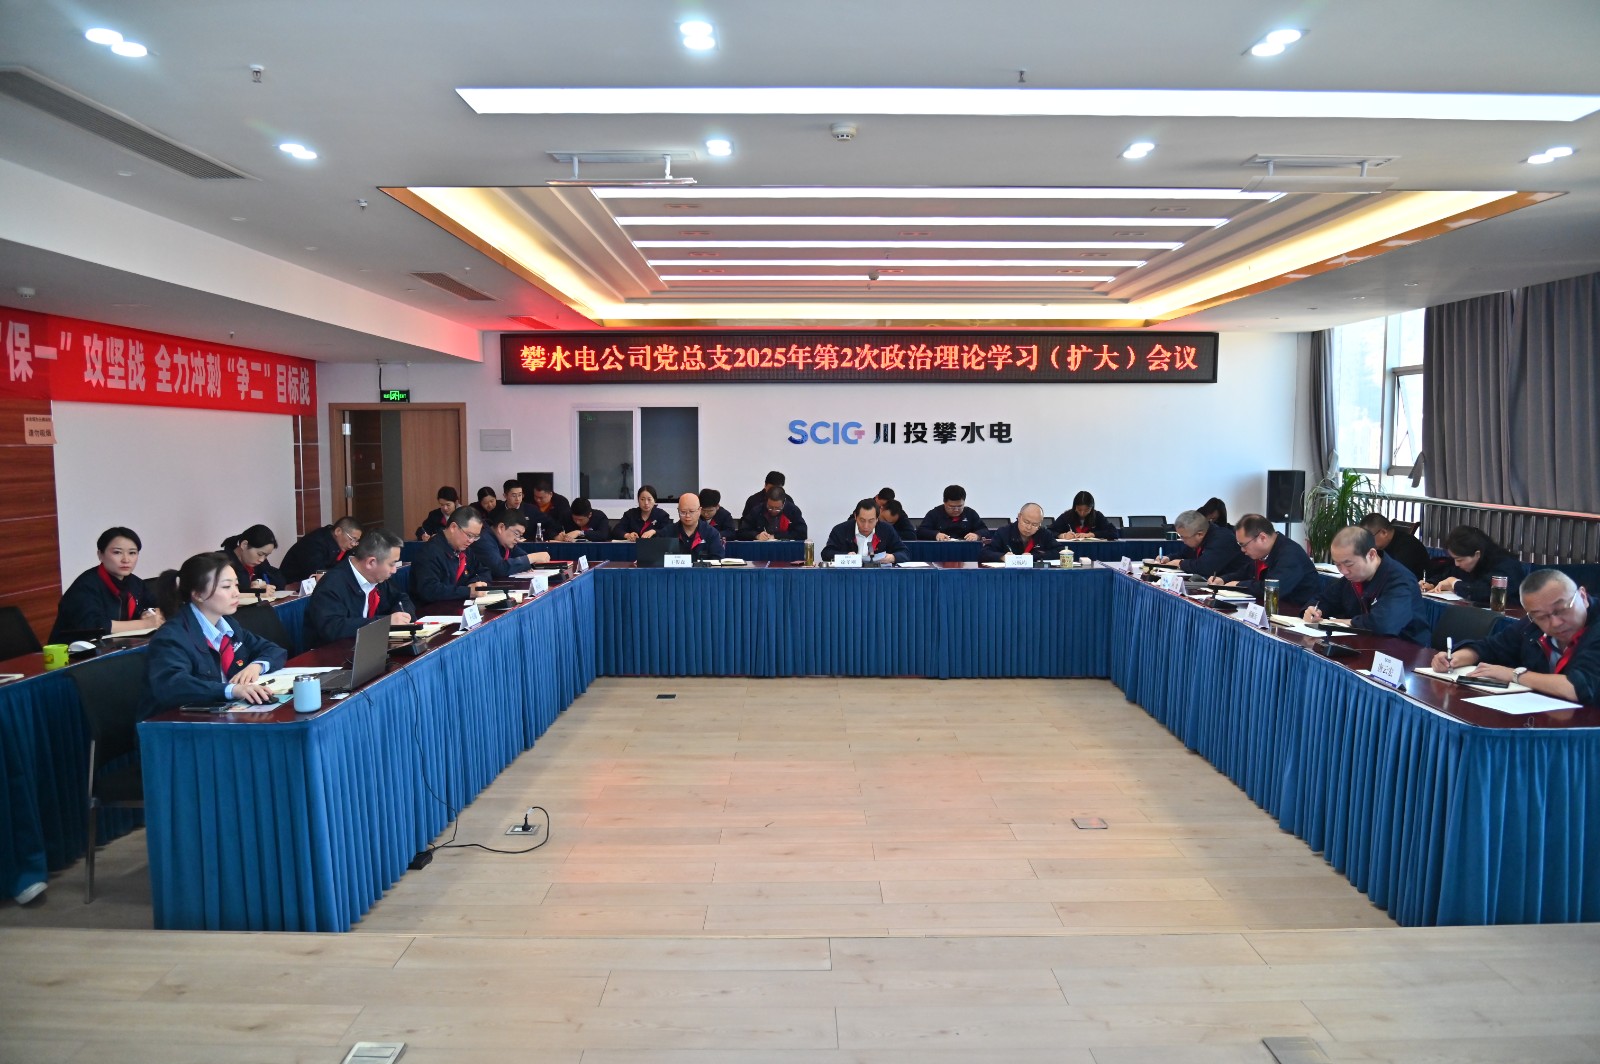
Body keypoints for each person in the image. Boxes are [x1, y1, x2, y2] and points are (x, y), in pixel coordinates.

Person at [145, 552, 288, 712]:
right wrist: (231, 690)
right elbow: (174, 685)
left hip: (223, 712)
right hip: (179, 720)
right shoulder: (171, 636)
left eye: (236, 585)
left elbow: (274, 650)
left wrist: (256, 666)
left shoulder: (228, 624)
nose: (236, 593)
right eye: (226, 587)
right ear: (198, 594)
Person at [1431, 569, 1596, 704]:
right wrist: (1454, 659)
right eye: (1541, 617)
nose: (1555, 623)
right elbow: (1491, 647)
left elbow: (1578, 688)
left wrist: (1515, 675)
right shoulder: (1531, 625)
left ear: (1583, 597)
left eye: (1562, 609)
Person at [1303, 526, 1427, 641]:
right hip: (1363, 644)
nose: (1344, 571)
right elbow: (1325, 599)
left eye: (1349, 564)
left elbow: (1384, 624)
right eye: (1338, 565)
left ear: (1371, 554)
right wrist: (1314, 611)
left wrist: (1347, 623)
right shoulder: (1352, 578)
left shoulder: (1400, 580)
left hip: (1404, 650)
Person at [304, 527, 414, 648]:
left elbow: (401, 599)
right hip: (335, 653)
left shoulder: (378, 578)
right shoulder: (332, 584)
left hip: (370, 647)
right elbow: (333, 628)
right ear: (371, 562)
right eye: (391, 564)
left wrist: (401, 617)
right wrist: (384, 623)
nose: (394, 570)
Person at [51, 526, 162, 642]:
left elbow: (157, 604)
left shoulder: (135, 583)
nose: (126, 559)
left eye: (132, 553)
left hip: (118, 646)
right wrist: (144, 624)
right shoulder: (85, 586)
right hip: (75, 650)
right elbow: (94, 626)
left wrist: (150, 613)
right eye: (117, 552)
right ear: (100, 555)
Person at [1212, 513, 1321, 604]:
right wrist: (1223, 579)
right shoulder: (1266, 551)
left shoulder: (1290, 554)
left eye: (1243, 544)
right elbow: (1245, 572)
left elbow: (1271, 589)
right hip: (1273, 608)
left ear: (1262, 538)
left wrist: (1238, 585)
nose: (1242, 550)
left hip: (1297, 613)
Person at [1424, 525, 1525, 604]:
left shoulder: (1506, 565)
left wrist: (1455, 584)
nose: (1456, 564)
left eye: (1459, 560)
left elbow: (1484, 593)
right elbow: (1448, 574)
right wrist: (1432, 584)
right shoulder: (1467, 562)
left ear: (1477, 554)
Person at [412, 506, 489, 603]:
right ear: (453, 527)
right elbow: (429, 590)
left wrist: (474, 584)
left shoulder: (465, 550)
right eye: (469, 535)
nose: (471, 541)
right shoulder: (429, 552)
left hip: (458, 604)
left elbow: (484, 571)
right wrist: (467, 591)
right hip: (433, 609)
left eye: (475, 537)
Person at [1156, 510, 1250, 581]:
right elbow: (1184, 554)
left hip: (1236, 586)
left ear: (1199, 534)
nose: (1182, 540)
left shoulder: (1222, 539)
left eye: (1184, 537)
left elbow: (1205, 567)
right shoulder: (1200, 537)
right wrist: (1169, 558)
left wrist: (1180, 563)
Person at [470, 509, 552, 580]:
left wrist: (530, 561)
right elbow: (499, 568)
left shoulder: (505, 542)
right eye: (516, 533)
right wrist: (532, 558)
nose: (518, 539)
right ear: (501, 527)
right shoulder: (483, 539)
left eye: (520, 535)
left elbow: (522, 556)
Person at [822, 499, 910, 564]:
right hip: (847, 576)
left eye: (871, 521)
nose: (866, 526)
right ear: (855, 516)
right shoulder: (840, 530)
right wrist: (846, 556)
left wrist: (892, 557)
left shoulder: (886, 530)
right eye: (862, 520)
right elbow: (826, 553)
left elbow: (905, 553)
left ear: (877, 519)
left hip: (878, 577)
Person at [280, 517, 363, 583]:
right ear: (338, 531)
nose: (353, 544)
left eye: (356, 541)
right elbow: (319, 574)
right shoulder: (315, 543)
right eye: (352, 539)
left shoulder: (342, 545)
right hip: (292, 587)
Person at [1358, 513, 1430, 581]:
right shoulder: (1381, 546)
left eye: (1369, 538)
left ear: (1384, 533)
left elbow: (1394, 576)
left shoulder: (1407, 546)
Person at [982, 503, 1063, 562]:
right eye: (1026, 522)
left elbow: (1061, 552)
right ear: (1019, 516)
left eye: (1034, 524)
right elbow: (985, 553)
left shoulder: (1044, 533)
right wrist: (1002, 557)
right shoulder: (1004, 532)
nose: (1029, 527)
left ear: (1040, 524)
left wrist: (1034, 556)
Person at [219, 524, 284, 593]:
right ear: (244, 545)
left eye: (266, 555)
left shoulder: (256, 562)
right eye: (260, 554)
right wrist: (255, 591)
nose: (262, 559)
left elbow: (279, 581)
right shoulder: (221, 562)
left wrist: (259, 582)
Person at [739, 486, 808, 541]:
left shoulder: (792, 511)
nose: (773, 511)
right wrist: (757, 535)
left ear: (784, 503)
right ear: (766, 501)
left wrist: (776, 536)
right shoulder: (757, 511)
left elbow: (802, 533)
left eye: (778, 508)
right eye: (770, 507)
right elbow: (742, 532)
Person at [671, 492, 726, 560]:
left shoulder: (712, 534)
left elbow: (717, 560)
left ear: (699, 510)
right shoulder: (667, 533)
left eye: (692, 511)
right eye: (683, 512)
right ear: (678, 511)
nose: (687, 516)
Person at [919, 484, 985, 541]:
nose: (956, 510)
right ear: (944, 502)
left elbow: (984, 530)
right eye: (952, 506)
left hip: (965, 548)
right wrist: (936, 534)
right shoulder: (934, 514)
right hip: (941, 548)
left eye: (960, 506)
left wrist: (977, 535)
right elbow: (921, 531)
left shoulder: (970, 513)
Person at [1052, 491, 1118, 541]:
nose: (1082, 513)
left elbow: (1114, 533)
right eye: (1079, 510)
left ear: (1091, 508)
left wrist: (1092, 534)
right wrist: (1062, 535)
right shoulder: (1066, 516)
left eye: (1086, 510)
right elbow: (1049, 532)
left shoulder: (1097, 516)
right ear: (1075, 507)